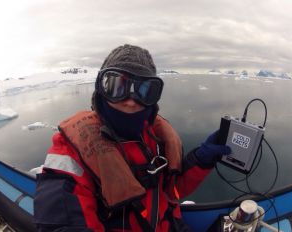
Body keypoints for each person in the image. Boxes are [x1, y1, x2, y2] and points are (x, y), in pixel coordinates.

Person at [34, 44, 231, 232]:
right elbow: (62, 219)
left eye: (144, 90)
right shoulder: (73, 152)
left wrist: (201, 160)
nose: (130, 101)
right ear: (101, 90)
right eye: (117, 86)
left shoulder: (154, 136)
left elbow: (170, 192)